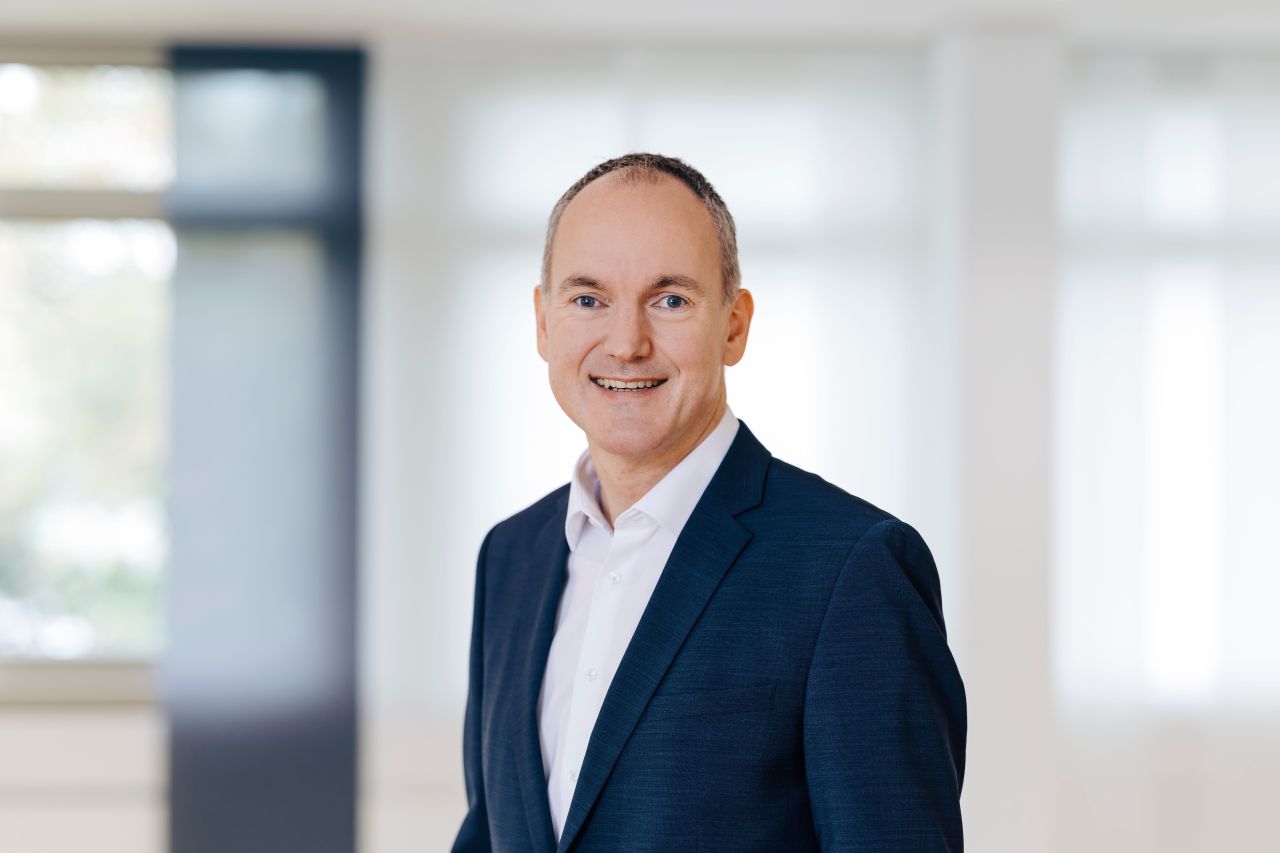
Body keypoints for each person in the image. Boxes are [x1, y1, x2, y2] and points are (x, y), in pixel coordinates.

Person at [451, 153, 966, 852]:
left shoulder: (852, 571)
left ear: (734, 325)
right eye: (588, 299)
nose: (626, 343)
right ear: (544, 323)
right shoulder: (509, 558)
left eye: (669, 300)